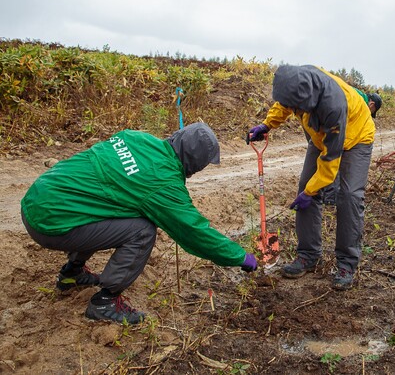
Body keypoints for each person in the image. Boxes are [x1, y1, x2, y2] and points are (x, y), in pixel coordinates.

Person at [20, 123, 257, 325]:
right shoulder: (162, 183)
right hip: (50, 224)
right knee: (142, 229)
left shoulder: (135, 137)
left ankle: (72, 274)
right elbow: (194, 231)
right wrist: (239, 256)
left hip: (37, 198)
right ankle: (104, 302)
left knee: (109, 203)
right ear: (195, 164)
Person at [247, 65, 375, 290]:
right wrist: (268, 124)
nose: (293, 108)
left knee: (349, 196)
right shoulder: (298, 83)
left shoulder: (333, 106)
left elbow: (331, 160)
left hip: (356, 137)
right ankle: (308, 255)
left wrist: (311, 192)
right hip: (320, 138)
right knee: (305, 188)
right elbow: (284, 104)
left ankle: (346, 264)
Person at [322, 90, 382, 205]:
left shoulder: (355, 94)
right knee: (334, 160)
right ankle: (330, 198)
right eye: (372, 112)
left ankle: (326, 195)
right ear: (372, 105)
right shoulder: (359, 103)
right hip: (333, 127)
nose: (369, 114)